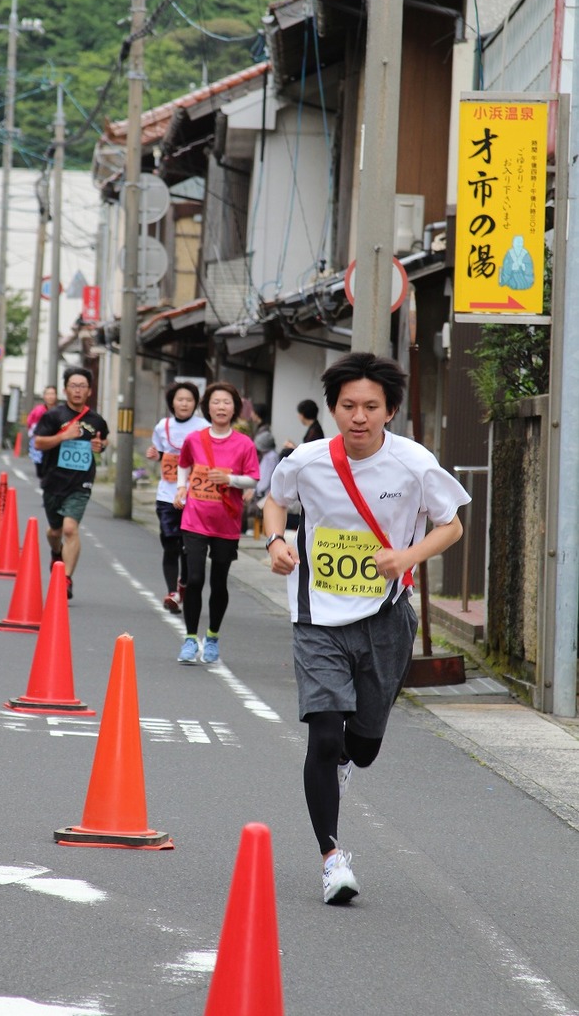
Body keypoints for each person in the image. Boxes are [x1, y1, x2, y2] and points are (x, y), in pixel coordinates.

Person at [262, 352, 470, 905]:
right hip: (318, 618)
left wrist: (406, 557)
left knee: (365, 746)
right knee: (324, 734)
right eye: (348, 405)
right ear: (332, 408)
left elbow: (451, 525)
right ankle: (333, 858)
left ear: (390, 411)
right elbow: (274, 503)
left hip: (385, 617)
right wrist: (276, 543)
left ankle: (349, 759)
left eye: (370, 407)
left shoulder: (413, 463)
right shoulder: (306, 460)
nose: (358, 416)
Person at [173, 381, 260, 665]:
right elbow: (184, 464)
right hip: (194, 519)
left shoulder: (244, 444)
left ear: (235, 408)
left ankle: (211, 636)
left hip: (227, 521)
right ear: (207, 407)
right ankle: (189, 639)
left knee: (219, 581)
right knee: (195, 578)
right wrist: (182, 488)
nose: (221, 407)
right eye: (215, 402)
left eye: (226, 402)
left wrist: (231, 480)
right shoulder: (195, 439)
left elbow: (253, 479)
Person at [33, 367, 109, 600]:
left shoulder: (96, 420)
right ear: (65, 389)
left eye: (82, 386)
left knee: (69, 529)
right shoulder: (53, 416)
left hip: (81, 482)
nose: (78, 390)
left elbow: (102, 441)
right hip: (54, 481)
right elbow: (38, 443)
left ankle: (65, 579)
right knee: (55, 531)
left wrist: (100, 447)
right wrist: (62, 437)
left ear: (89, 391)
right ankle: (56, 552)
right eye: (73, 386)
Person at [146, 380, 209, 614]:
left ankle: (183, 584)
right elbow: (161, 452)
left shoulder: (203, 427)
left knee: (187, 547)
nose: (184, 403)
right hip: (167, 494)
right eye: (180, 399)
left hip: (195, 495)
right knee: (170, 542)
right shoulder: (163, 426)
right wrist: (155, 455)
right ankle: (172, 591)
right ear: (172, 402)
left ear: (195, 403)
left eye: (189, 400)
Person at [27, 385, 58, 478]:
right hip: (40, 439)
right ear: (44, 396)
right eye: (48, 394)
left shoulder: (59, 410)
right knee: (40, 464)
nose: (50, 396)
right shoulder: (38, 410)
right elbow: (30, 422)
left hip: (55, 440)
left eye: (52, 394)